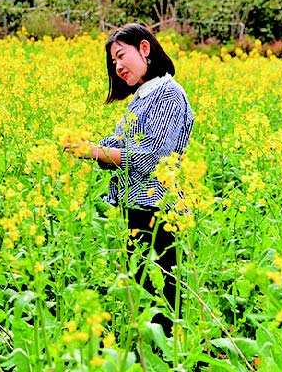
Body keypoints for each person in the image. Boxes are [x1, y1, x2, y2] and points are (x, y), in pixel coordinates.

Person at [64, 23, 193, 336]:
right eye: (113, 62)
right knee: (144, 304)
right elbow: (123, 147)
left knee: (161, 310)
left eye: (121, 56)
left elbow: (151, 159)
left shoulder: (169, 95)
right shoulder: (144, 97)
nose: (117, 66)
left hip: (160, 215)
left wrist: (96, 152)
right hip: (138, 212)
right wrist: (89, 147)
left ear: (145, 49)